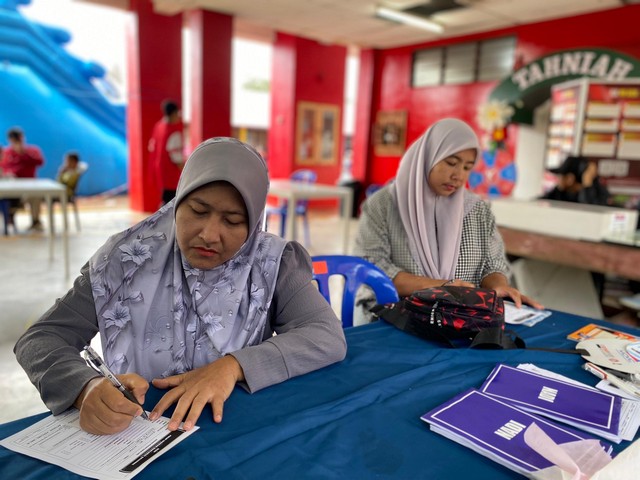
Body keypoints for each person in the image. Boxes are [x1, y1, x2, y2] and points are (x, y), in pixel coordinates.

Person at [14, 137, 347, 436]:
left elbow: (325, 335)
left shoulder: (271, 263)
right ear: (178, 202)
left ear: (255, 222)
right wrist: (85, 387)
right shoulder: (127, 259)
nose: (209, 234)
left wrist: (233, 366)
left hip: (235, 429)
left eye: (233, 220)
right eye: (198, 211)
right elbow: (41, 338)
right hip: (138, 430)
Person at [354, 118, 542, 315]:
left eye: (467, 167)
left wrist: (498, 286)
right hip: (396, 313)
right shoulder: (383, 205)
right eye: (451, 163)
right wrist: (442, 287)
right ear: (428, 157)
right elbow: (371, 267)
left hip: (460, 316)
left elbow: (492, 263)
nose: (458, 176)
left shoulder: (477, 210)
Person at [0, 127, 45, 231]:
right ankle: (9, 217)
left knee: (35, 196)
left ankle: (35, 221)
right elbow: (4, 167)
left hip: (29, 186)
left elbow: (40, 162)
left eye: (18, 138)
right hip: (10, 187)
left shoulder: (32, 150)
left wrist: (23, 153)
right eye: (13, 139)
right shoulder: (7, 153)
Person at [148, 99, 185, 206]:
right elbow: (176, 157)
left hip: (159, 169)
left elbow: (152, 146)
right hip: (172, 173)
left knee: (165, 198)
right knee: (171, 202)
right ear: (174, 113)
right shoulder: (174, 132)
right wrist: (185, 171)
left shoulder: (158, 126)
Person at [541, 155, 611, 206]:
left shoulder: (598, 192)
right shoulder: (558, 195)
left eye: (561, 176)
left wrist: (587, 184)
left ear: (570, 178)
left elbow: (593, 210)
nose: (558, 179)